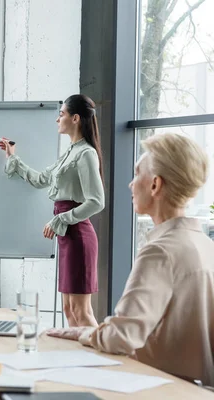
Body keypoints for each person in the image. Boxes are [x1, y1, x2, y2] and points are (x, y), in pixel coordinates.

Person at [47, 132, 214, 386]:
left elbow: (121, 336)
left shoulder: (160, 251)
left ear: (155, 185)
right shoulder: (205, 244)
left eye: (138, 174)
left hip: (159, 388)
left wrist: (84, 333)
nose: (131, 184)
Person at [0, 94, 105, 327]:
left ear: (75, 118)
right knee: (69, 310)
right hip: (68, 236)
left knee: (82, 312)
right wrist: (13, 158)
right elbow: (40, 180)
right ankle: (80, 362)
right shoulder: (70, 152)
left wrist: (61, 219)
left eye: (61, 115)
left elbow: (97, 201)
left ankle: (101, 359)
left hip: (79, 236)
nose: (58, 120)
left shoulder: (86, 153)